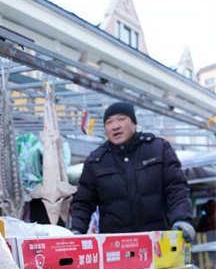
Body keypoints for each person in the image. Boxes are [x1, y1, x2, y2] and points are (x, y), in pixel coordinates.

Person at [71, 101, 196, 242]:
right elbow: (83, 203)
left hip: (159, 242)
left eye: (121, 119)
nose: (115, 126)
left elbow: (176, 189)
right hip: (116, 246)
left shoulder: (158, 149)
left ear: (134, 123)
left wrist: (182, 219)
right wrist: (76, 231)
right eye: (109, 122)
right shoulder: (96, 161)